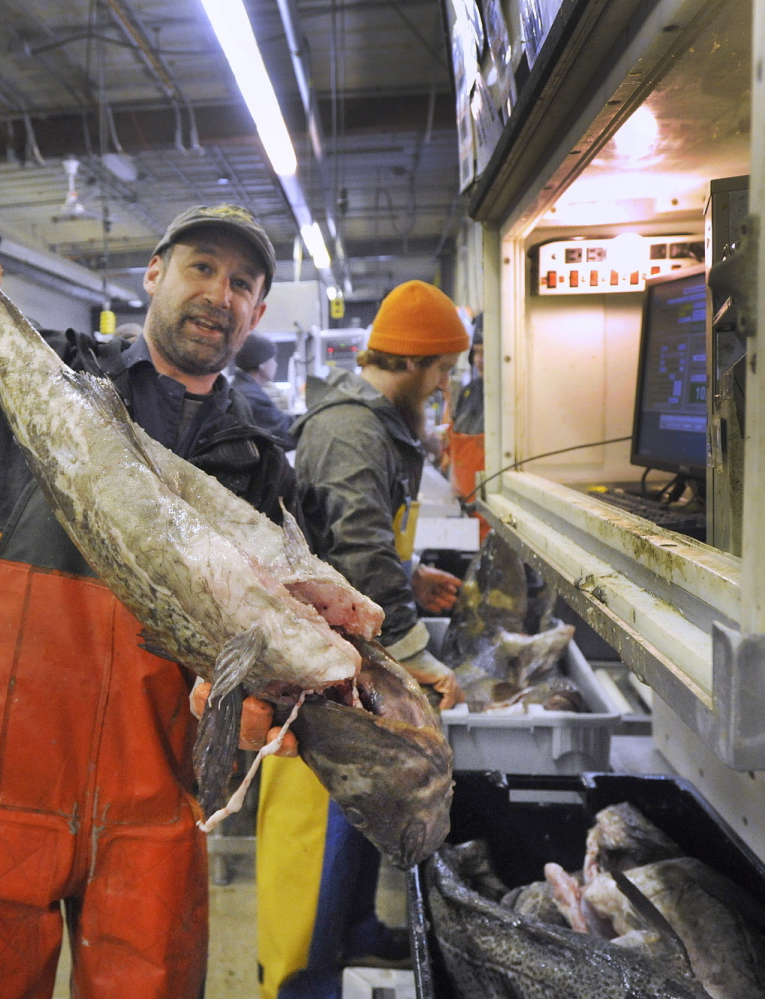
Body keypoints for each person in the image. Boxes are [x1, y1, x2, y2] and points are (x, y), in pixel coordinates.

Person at [0, 200, 300, 999]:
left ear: (258, 310)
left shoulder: (259, 470)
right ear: (154, 273)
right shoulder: (27, 378)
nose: (220, 292)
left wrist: (255, 702)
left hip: (154, 817)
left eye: (242, 282)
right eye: (201, 267)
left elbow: (268, 666)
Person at [256, 279, 468, 999]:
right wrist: (416, 654)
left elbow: (369, 543)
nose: (443, 386)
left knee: (350, 829)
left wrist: (413, 574)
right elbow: (352, 549)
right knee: (312, 836)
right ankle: (296, 977)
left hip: (349, 666)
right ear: (411, 361)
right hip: (312, 680)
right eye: (441, 369)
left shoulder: (379, 425)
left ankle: (347, 935)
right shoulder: (351, 428)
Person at [446, 317, 489, 540]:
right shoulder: (468, 392)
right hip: (465, 507)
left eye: (486, 352)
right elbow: (453, 446)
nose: (480, 359)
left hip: (491, 513)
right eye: (477, 352)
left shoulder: (509, 397)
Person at [231, 332, 296, 447]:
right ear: (261, 364)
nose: (276, 364)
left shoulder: (242, 387)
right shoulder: (251, 397)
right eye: (273, 359)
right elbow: (285, 433)